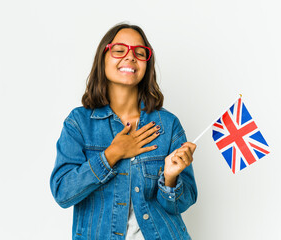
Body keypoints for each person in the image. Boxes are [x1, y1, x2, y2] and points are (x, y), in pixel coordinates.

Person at [50, 23, 198, 240]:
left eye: (140, 53)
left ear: (147, 64)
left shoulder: (167, 124)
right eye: (119, 50)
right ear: (103, 58)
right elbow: (63, 193)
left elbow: (183, 202)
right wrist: (112, 154)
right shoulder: (79, 123)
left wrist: (170, 178)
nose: (130, 57)